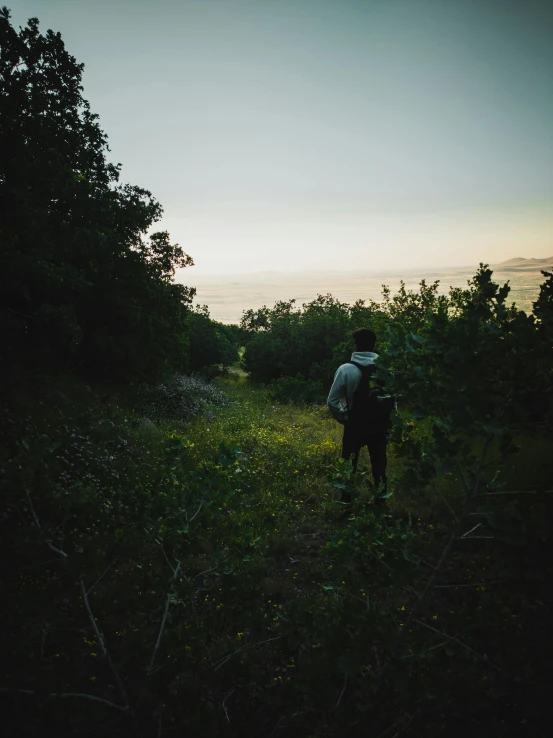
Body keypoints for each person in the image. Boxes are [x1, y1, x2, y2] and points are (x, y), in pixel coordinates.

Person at [327, 328, 392, 502]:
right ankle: (381, 506)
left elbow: (332, 402)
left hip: (354, 426)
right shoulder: (384, 369)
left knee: (349, 467)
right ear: (374, 345)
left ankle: (347, 505)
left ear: (356, 345)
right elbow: (392, 400)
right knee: (379, 468)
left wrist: (345, 418)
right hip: (379, 426)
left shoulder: (346, 369)